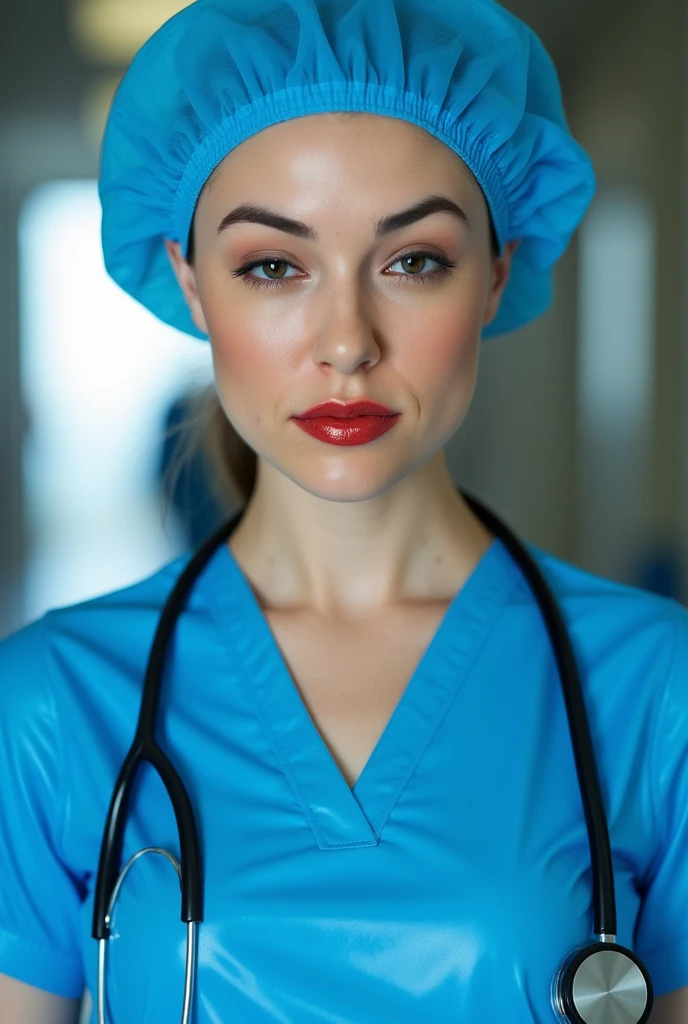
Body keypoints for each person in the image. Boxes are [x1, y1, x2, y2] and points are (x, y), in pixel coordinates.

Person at [1, 1, 687, 1021]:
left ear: (496, 274)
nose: (345, 341)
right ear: (191, 283)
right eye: (272, 265)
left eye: (414, 260)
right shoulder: (53, 700)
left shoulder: (652, 682)